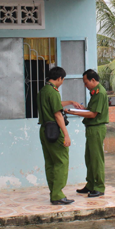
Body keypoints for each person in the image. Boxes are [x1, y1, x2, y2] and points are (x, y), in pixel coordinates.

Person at [38, 67, 82, 205]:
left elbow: (55, 105)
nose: (62, 82)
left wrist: (70, 102)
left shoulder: (44, 91)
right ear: (59, 78)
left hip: (44, 130)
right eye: (62, 80)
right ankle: (57, 194)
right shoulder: (54, 92)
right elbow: (57, 113)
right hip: (55, 130)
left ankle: (54, 192)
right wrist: (66, 135)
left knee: (50, 162)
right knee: (61, 162)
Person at [65, 69, 109, 197]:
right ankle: (90, 184)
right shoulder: (95, 93)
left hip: (96, 128)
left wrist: (73, 112)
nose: (85, 85)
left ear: (93, 80)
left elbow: (93, 114)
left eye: (86, 82)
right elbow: (91, 110)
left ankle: (99, 187)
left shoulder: (100, 93)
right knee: (89, 158)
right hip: (92, 128)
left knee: (96, 159)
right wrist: (83, 109)